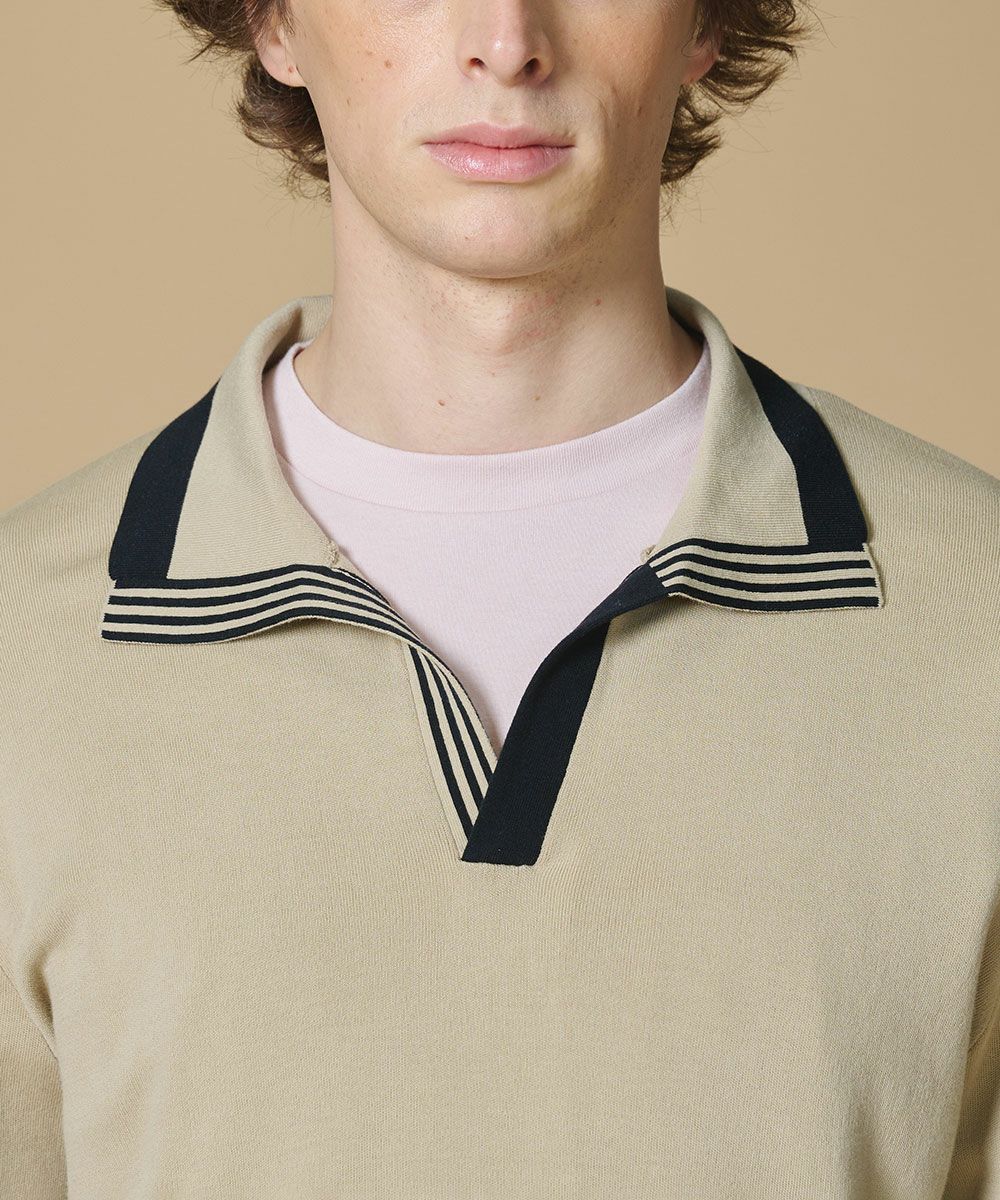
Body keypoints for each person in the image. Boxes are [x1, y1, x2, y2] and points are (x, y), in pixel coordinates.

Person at [2, 0, 998, 1194]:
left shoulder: (974, 624)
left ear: (702, 21)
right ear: (273, 23)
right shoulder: (22, 657)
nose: (506, 38)